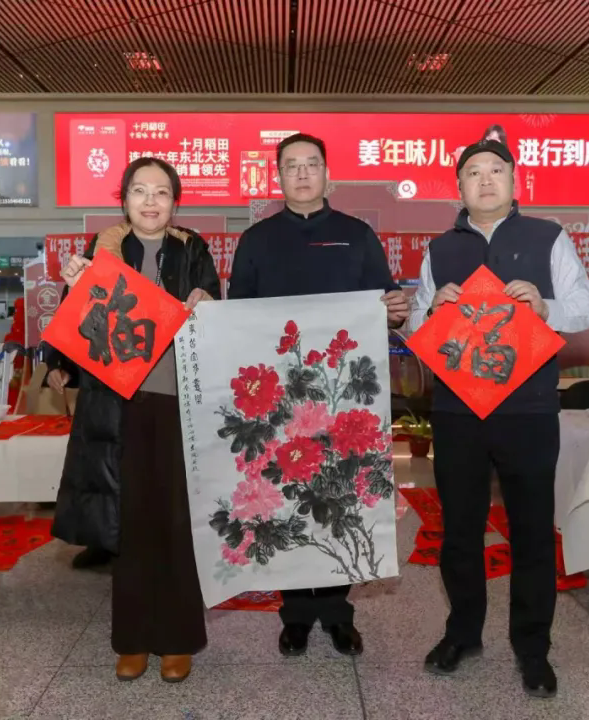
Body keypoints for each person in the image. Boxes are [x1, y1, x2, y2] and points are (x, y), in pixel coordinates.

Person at [408, 139, 589, 697]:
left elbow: (584, 308)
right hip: (456, 410)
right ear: (459, 186)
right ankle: (462, 633)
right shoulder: (440, 248)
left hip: (529, 409)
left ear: (515, 181)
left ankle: (532, 647)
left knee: (532, 530)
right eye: (473, 172)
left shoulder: (548, 236)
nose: (485, 180)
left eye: (496, 170)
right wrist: (430, 310)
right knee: (459, 530)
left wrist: (544, 306)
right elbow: (414, 327)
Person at [228, 132, 409, 658]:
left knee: (338, 496)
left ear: (328, 175)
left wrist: (396, 311)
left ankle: (337, 613)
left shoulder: (357, 235)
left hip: (342, 391)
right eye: (292, 165)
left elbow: (386, 304)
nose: (303, 173)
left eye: (312, 164)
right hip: (280, 397)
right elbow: (239, 314)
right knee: (288, 500)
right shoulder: (256, 240)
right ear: (278, 176)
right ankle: (295, 614)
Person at [45, 157, 220, 683]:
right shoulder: (102, 248)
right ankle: (133, 639)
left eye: (161, 192)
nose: (150, 201)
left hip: (176, 401)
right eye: (140, 191)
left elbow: (215, 309)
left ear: (175, 202)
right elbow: (79, 320)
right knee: (130, 523)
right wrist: (70, 309)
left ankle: (178, 639)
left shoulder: (192, 248)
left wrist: (207, 300)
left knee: (174, 521)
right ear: (124, 200)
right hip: (115, 403)